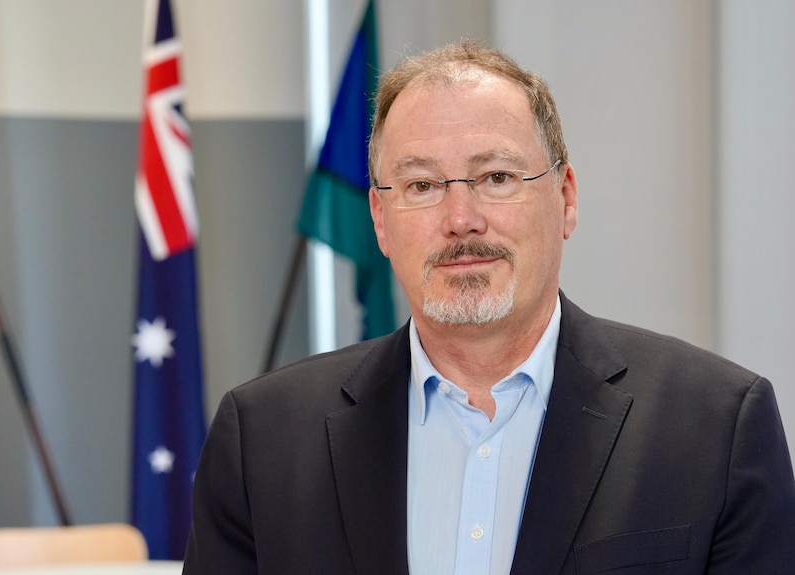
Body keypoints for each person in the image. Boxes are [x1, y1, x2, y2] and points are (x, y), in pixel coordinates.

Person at [183, 41, 795, 574]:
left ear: (566, 198)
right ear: (380, 221)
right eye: (422, 185)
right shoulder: (260, 441)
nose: (461, 219)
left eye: (497, 176)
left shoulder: (717, 429)